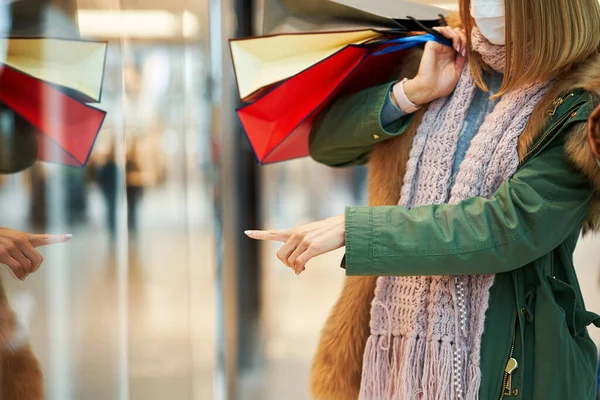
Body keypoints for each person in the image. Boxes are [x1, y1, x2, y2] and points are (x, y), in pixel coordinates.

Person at [246, 1, 600, 399]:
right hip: (388, 344)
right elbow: (327, 144)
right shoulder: (444, 52)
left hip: (508, 358)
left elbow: (508, 227)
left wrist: (360, 231)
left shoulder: (583, 101)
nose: (483, 7)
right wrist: (412, 92)